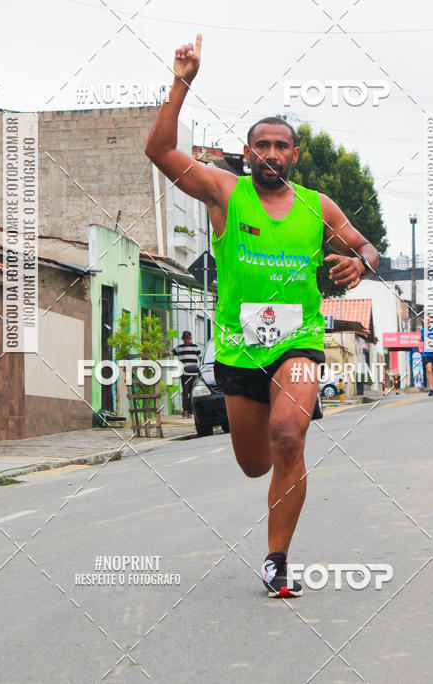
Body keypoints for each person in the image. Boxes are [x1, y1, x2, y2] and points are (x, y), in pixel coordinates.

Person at [145, 34, 379, 598]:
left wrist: (358, 264)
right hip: (238, 347)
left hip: (297, 342)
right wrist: (182, 82)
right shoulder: (224, 192)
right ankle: (273, 498)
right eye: (262, 145)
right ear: (249, 154)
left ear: (294, 155)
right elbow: (158, 151)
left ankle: (278, 559)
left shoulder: (315, 205)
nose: (272, 153)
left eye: (281, 145)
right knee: (254, 463)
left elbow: (365, 247)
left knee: (288, 436)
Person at [173, 331, 202, 418]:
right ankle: (185, 410)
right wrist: (158, 354)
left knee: (192, 392)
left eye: (188, 338)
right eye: (185, 338)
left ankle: (191, 411)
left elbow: (200, 358)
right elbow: (170, 353)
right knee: (185, 392)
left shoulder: (195, 348)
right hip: (184, 374)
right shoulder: (179, 348)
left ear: (190, 338)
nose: (186, 340)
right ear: (182, 339)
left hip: (194, 374)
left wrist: (201, 368)